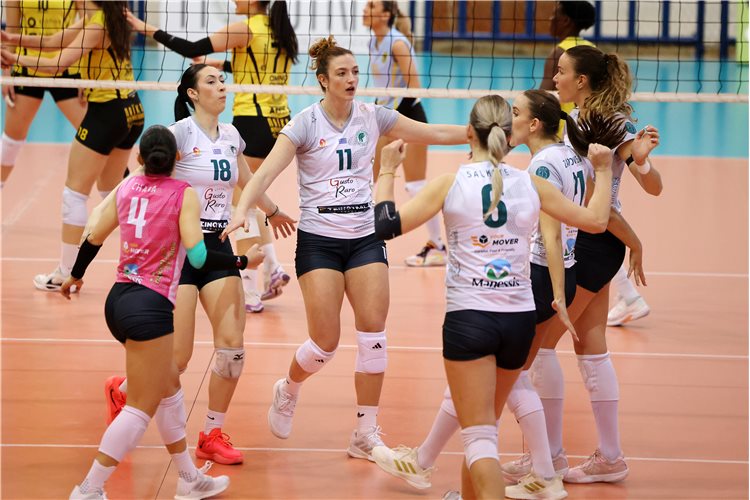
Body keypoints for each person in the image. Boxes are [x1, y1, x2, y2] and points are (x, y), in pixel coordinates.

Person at [369, 91, 627, 500]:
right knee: (483, 423)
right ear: (508, 136)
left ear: (469, 133)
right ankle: (469, 482)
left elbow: (385, 225)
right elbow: (596, 221)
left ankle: (459, 469)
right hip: (518, 321)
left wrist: (386, 170)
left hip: (470, 320)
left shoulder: (450, 183)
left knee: (479, 440)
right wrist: (603, 169)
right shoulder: (531, 183)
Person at [222, 35, 466, 460]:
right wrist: (244, 209)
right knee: (325, 343)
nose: (352, 79)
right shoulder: (304, 124)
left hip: (364, 238)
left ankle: (365, 433)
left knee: (374, 335)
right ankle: (289, 387)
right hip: (319, 241)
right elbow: (262, 176)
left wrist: (481, 133)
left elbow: (435, 132)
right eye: (342, 73)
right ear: (323, 80)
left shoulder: (373, 115)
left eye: (355, 71)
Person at [105, 64, 296, 466]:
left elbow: (249, 181)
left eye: (222, 80)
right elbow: (138, 180)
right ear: (192, 94)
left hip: (219, 247)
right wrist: (104, 219)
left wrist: (273, 210)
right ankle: (123, 389)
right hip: (182, 249)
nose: (221, 86)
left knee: (232, 350)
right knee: (177, 360)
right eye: (211, 81)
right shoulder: (178, 134)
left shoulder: (231, 136)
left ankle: (211, 434)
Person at [60, 125, 266, 500]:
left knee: (170, 391)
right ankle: (89, 487)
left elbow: (93, 237)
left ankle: (188, 479)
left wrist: (75, 274)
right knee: (141, 409)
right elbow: (198, 257)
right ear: (178, 159)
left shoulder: (127, 188)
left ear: (139, 159)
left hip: (118, 301)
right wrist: (241, 261)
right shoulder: (182, 193)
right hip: (150, 308)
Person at [530, 44, 662, 484]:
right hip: (598, 241)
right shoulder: (585, 120)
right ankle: (609, 457)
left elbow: (641, 191)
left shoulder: (602, 124)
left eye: (561, 72)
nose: (555, 79)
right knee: (591, 348)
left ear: (581, 80)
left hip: (592, 242)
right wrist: (632, 241)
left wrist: (641, 162)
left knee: (539, 347)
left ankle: (548, 457)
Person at [126, 0, 298, 312]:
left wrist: (143, 28)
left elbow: (192, 48)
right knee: (248, 196)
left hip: (253, 119)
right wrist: (220, 67)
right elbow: (258, 67)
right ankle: (272, 266)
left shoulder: (245, 28)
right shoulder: (278, 28)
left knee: (241, 205)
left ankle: (250, 287)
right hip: (278, 121)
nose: (234, 2)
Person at [1, 0, 146, 292]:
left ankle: (65, 274)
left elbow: (57, 63)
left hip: (106, 113)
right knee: (112, 192)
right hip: (132, 112)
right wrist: (12, 39)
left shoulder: (96, 24)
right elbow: (54, 41)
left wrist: (13, 59)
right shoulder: (107, 17)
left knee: (74, 194)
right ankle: (142, 264)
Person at [363, 0, 446, 267]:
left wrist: (397, 123)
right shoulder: (373, 42)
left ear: (386, 15)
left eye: (371, 6)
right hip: (386, 117)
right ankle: (361, 237)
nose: (365, 10)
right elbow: (385, 86)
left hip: (407, 116)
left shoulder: (397, 43)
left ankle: (438, 246)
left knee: (415, 185)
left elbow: (414, 88)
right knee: (368, 177)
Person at [1, 0, 87, 188]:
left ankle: (123, 194)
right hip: (27, 68)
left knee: (96, 138)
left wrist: (86, 75)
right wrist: (6, 73)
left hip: (66, 70)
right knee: (10, 142)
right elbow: (12, 30)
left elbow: (87, 30)